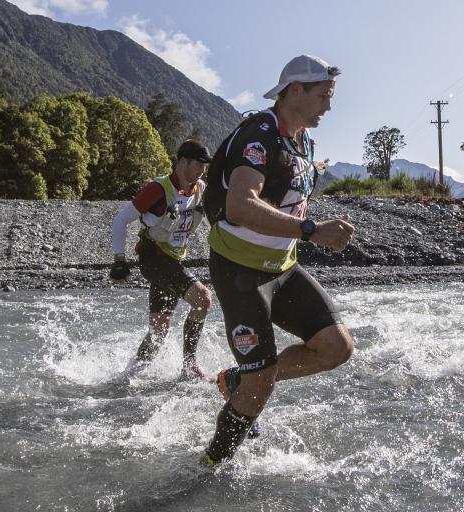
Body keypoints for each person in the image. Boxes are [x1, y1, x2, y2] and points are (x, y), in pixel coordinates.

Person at [201, 55, 355, 464]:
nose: (329, 105)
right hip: (240, 271)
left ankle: (239, 377)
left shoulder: (304, 141)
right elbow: (240, 206)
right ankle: (210, 465)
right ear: (294, 91)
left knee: (336, 348)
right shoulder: (259, 133)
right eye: (323, 95)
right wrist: (311, 231)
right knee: (259, 390)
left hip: (281, 268)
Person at [110, 139, 214, 380]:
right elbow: (120, 219)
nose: (202, 170)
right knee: (203, 299)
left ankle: (130, 375)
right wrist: (119, 260)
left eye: (205, 166)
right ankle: (189, 367)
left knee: (159, 331)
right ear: (182, 162)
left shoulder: (200, 189)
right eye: (199, 165)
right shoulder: (158, 189)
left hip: (173, 260)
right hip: (153, 257)